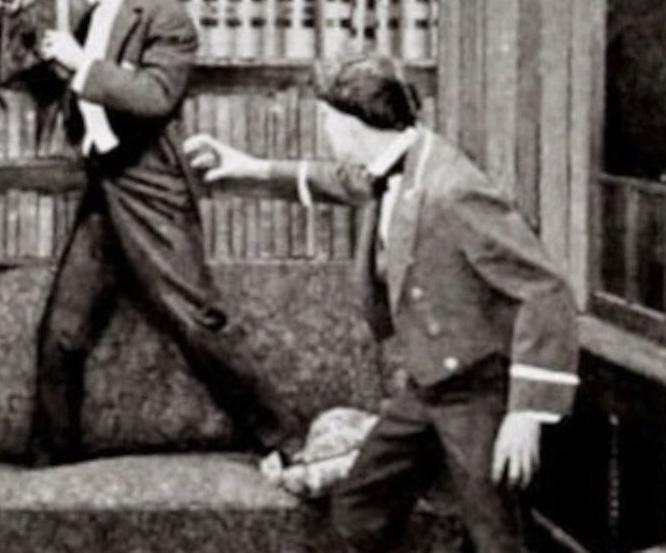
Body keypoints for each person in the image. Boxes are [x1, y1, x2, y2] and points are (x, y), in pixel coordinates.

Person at [184, 53, 580, 552]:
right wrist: (250, 167)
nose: (325, 128)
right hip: (428, 385)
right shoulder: (401, 162)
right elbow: (344, 182)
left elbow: (546, 289)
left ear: (350, 124)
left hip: (478, 393)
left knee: (496, 537)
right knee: (359, 509)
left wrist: (527, 414)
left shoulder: (452, 190)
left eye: (326, 118)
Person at [0, 0, 296, 465]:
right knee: (61, 333)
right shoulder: (89, 17)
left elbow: (156, 97)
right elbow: (49, 86)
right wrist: (20, 16)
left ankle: (287, 442)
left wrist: (80, 64)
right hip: (102, 189)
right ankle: (51, 471)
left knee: (196, 323)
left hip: (150, 188)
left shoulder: (166, 17)